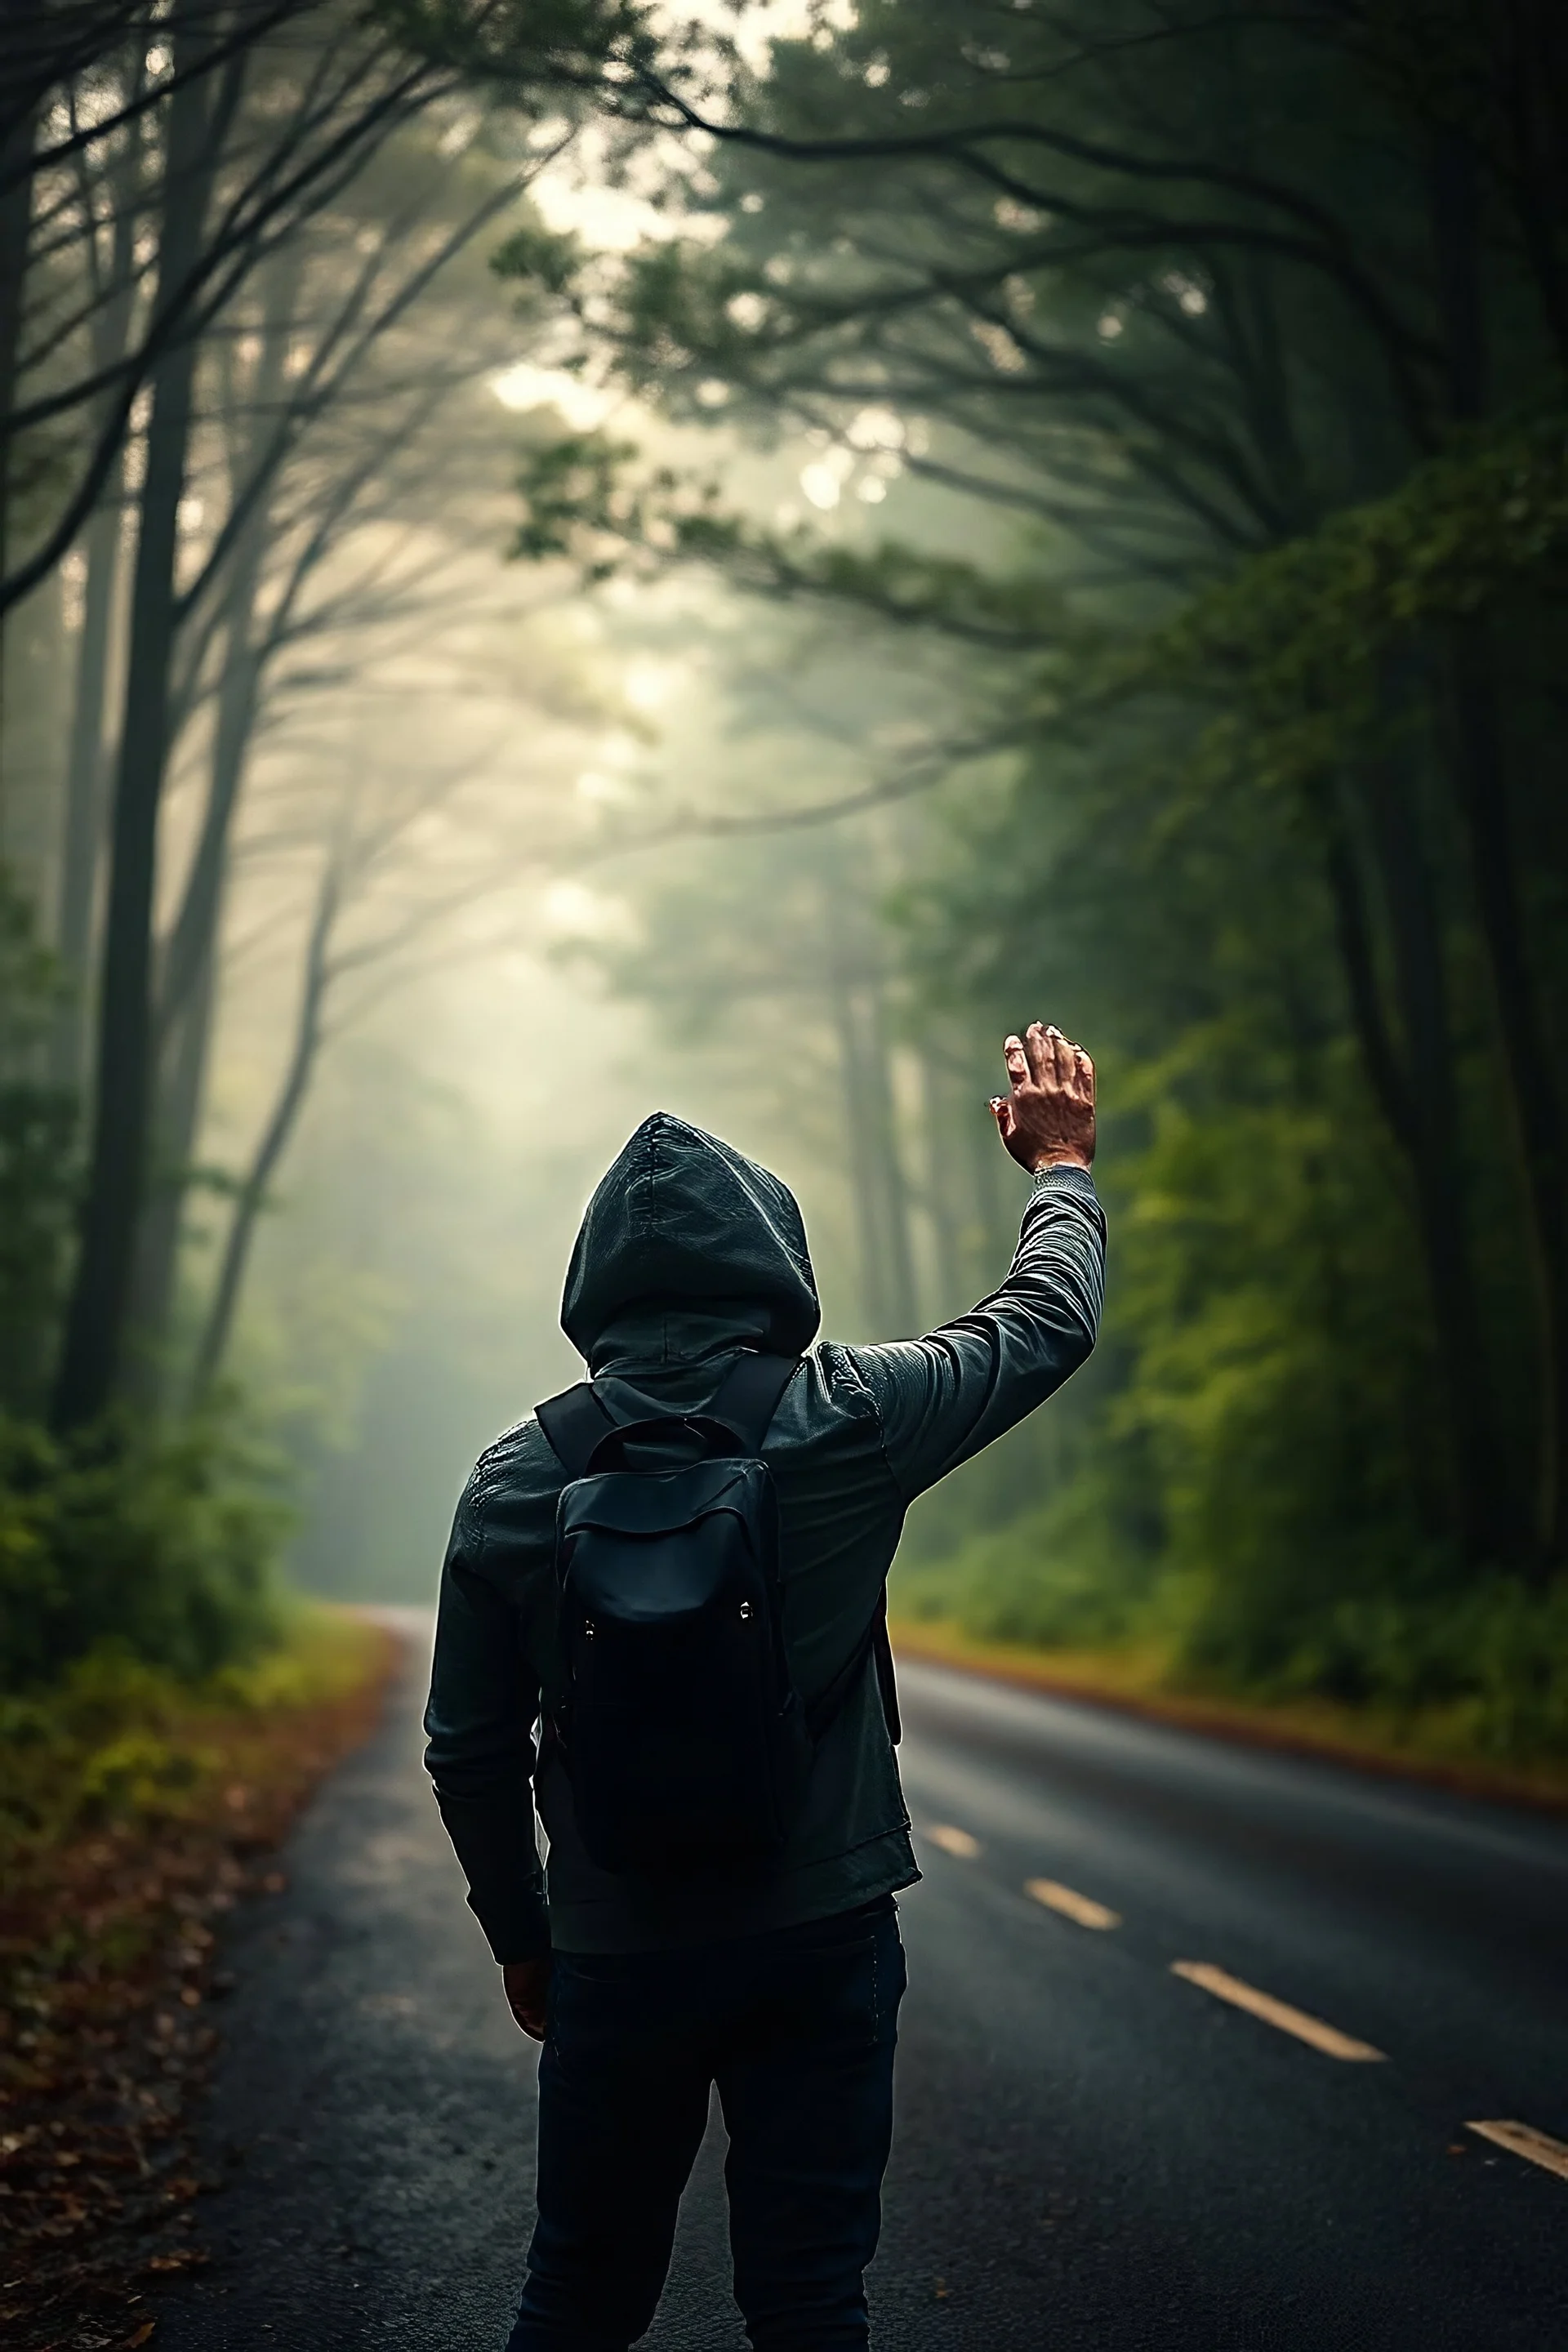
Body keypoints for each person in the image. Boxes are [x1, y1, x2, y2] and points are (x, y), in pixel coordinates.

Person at [424, 1020, 1105, 2351]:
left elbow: (468, 1748)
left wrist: (525, 1932)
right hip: (820, 1930)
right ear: (774, 1263)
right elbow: (1045, 1321)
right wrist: (1061, 1166)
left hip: (616, 1947)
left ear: (595, 1284)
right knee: (806, 2297)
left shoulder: (512, 1479)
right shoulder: (850, 1415)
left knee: (576, 2296)